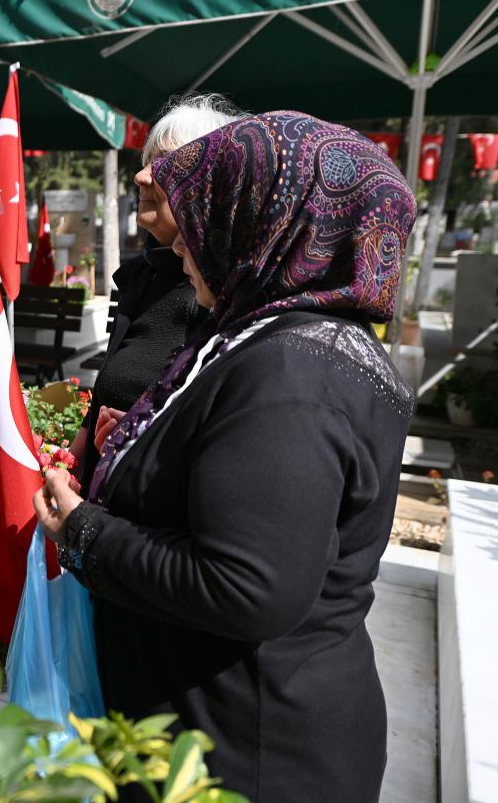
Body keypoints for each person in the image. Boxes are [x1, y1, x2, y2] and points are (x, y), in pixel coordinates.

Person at [34, 112, 416, 803]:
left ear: (268, 224)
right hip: (225, 737)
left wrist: (84, 531)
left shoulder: (292, 375)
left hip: (246, 760)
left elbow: (245, 587)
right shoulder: (283, 339)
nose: (184, 237)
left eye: (208, 208)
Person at [73, 94, 246, 492]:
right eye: (146, 162)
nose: (141, 177)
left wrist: (143, 438)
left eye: (164, 165)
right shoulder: (140, 276)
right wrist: (69, 462)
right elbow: (104, 396)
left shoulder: (222, 295)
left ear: (210, 185)